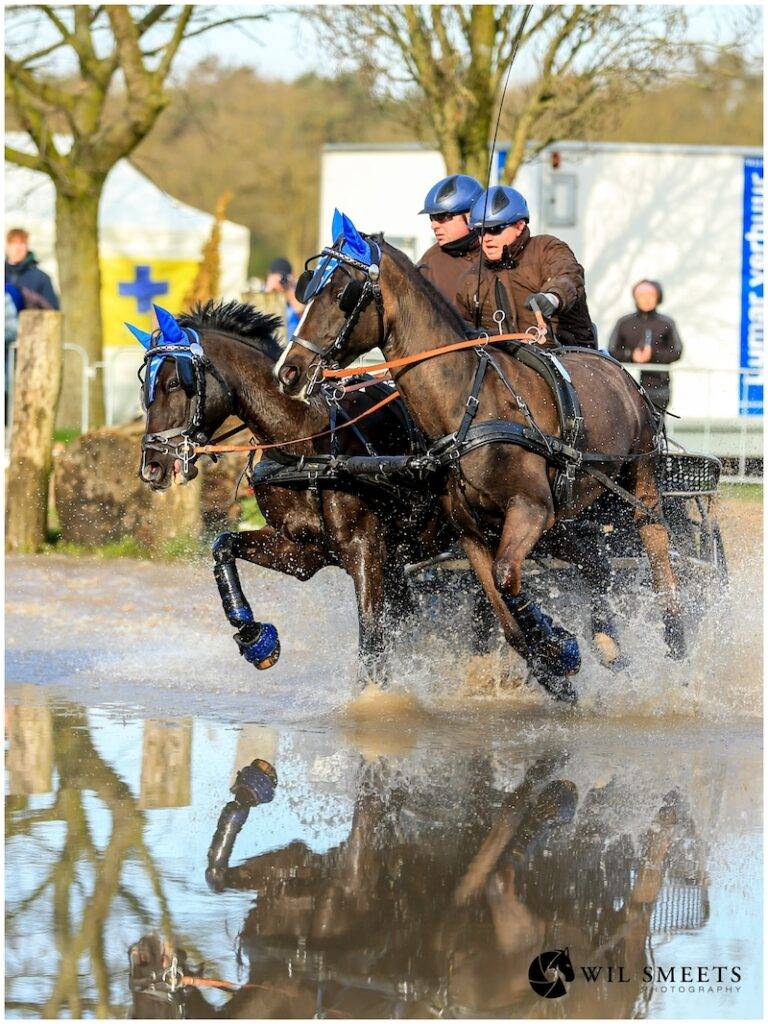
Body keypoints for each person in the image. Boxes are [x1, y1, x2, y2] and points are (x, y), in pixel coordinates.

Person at [456, 185, 596, 347]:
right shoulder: (471, 279)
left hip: (568, 352)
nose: (486, 238)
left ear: (519, 226)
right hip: (504, 359)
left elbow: (568, 276)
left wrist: (552, 298)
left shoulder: (546, 248)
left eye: (494, 229)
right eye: (480, 231)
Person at [608, 280, 683, 411]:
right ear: (635, 297)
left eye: (651, 295)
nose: (646, 299)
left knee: (656, 420)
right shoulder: (624, 323)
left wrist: (653, 355)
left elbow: (676, 351)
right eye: (642, 295)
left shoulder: (666, 323)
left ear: (658, 297)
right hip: (626, 384)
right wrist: (631, 356)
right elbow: (612, 350)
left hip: (658, 386)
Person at [416, 174, 484, 309]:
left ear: (471, 214)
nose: (434, 225)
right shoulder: (429, 265)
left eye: (442, 216)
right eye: (432, 218)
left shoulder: (497, 249)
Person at [4, 228, 59, 310]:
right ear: (7, 246)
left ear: (27, 247)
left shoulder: (42, 278)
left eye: (21, 243)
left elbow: (53, 311)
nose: (17, 248)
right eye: (13, 243)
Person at [265, 256, 304, 340]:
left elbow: (307, 323)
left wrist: (292, 296)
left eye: (284, 278)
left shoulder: (297, 295)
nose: (281, 282)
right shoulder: (259, 296)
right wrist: (268, 292)